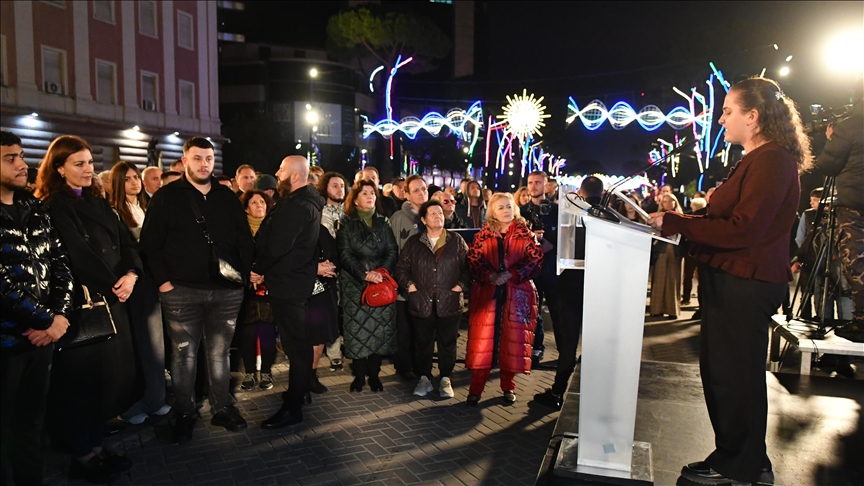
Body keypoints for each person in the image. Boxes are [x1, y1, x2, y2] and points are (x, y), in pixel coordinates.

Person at [648, 77, 810, 486]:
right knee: (726, 374)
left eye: (727, 111)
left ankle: (740, 465)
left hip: (746, 283)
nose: (720, 120)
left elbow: (744, 229)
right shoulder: (760, 158)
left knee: (735, 377)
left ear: (752, 117)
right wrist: (677, 222)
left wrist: (679, 223)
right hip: (735, 281)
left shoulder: (771, 161)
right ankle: (742, 458)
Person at [36, 135, 142, 482]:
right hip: (85, 307)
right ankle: (83, 456)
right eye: (78, 163)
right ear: (59, 168)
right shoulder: (55, 205)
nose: (87, 169)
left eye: (90, 162)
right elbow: (75, 255)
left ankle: (97, 448)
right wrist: (114, 285)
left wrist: (131, 274)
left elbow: (125, 242)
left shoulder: (98, 200)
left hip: (115, 299)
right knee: (81, 387)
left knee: (103, 384)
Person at [140, 137, 254, 444]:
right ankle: (185, 412)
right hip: (181, 292)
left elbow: (244, 240)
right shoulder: (166, 197)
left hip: (226, 292)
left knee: (219, 353)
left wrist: (241, 278)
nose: (204, 164)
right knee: (183, 356)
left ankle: (222, 407)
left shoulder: (226, 197)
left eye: (209, 158)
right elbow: (150, 245)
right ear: (185, 161)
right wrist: (164, 282)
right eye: (197, 158)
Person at [1, 130, 74, 486]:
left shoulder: (33, 208)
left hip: (40, 340)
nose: (21, 164)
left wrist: (60, 317)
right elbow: (2, 285)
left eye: (20, 155)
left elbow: (61, 265)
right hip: (7, 342)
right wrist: (47, 320)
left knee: (31, 423)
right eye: (9, 158)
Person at [251, 156, 323, 429]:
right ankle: (298, 392)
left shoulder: (298, 205)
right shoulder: (302, 202)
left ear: (294, 176)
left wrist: (258, 268)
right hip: (293, 281)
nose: (277, 174)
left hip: (289, 284)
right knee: (297, 344)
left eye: (281, 170)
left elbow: (278, 245)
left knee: (296, 346)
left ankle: (293, 407)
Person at [108, 161, 172, 425]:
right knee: (140, 345)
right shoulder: (114, 212)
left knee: (156, 344)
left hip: (154, 280)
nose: (134, 182)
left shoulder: (148, 206)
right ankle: (134, 405)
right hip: (134, 284)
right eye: (127, 179)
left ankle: (155, 399)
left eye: (136, 177)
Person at [465, 192, 543, 405]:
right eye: (500, 207)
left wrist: (512, 274)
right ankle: (475, 389)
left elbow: (535, 259)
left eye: (509, 206)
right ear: (492, 211)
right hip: (487, 293)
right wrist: (490, 276)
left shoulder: (525, 233)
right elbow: (474, 259)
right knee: (482, 344)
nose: (506, 210)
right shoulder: (483, 234)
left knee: (512, 343)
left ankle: (508, 386)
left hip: (517, 293)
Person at [533, 176, 603, 410]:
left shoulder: (572, 214)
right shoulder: (608, 217)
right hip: (598, 289)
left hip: (570, 288)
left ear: (580, 193)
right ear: (602, 194)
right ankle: (594, 395)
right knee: (596, 343)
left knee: (568, 344)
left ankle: (557, 392)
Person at [394, 200, 470, 399]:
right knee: (422, 343)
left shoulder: (456, 241)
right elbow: (401, 269)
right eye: (433, 213)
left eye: (440, 213)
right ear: (423, 219)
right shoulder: (414, 243)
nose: (438, 217)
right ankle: (424, 378)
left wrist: (459, 287)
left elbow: (469, 268)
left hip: (449, 302)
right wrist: (411, 287)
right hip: (421, 302)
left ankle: (445, 378)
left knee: (448, 344)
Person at [336, 180, 398, 393]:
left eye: (372, 193)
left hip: (380, 283)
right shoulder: (346, 224)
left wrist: (380, 272)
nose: (370, 196)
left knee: (379, 331)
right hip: (355, 285)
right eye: (365, 193)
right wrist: (364, 275)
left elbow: (392, 250)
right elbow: (345, 254)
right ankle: (359, 376)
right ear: (355, 199)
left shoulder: (383, 222)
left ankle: (375, 376)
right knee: (357, 332)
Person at [814, 83, 863, 341]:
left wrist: (831, 138)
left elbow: (827, 165)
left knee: (856, 262)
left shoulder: (850, 126)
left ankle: (862, 320)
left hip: (854, 206)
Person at [390, 175, 429, 380]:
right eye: (416, 190)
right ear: (406, 194)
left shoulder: (433, 214)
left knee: (423, 330)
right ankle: (404, 367)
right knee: (404, 330)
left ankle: (421, 366)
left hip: (428, 285)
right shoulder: (398, 218)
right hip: (404, 284)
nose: (421, 193)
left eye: (424, 189)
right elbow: (392, 250)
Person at [238, 189, 277, 393]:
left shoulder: (274, 228)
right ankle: (250, 372)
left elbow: (279, 256)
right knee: (248, 332)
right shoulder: (239, 230)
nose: (259, 205)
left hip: (269, 287)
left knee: (267, 330)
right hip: (246, 288)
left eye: (262, 202)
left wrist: (263, 274)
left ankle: (267, 372)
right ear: (246, 208)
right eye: (254, 202)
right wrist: (250, 273)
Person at [521, 171, 560, 366]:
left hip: (552, 267)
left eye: (537, 182)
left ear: (546, 185)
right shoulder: (521, 211)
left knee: (557, 310)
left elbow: (566, 235)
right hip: (531, 268)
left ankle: (564, 350)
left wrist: (551, 244)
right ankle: (535, 348)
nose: (533, 186)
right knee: (533, 310)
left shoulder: (557, 210)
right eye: (530, 182)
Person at [317, 172, 348, 371]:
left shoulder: (350, 211)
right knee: (331, 311)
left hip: (348, 266)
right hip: (328, 267)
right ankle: (334, 352)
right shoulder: (320, 212)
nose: (339, 189)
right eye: (334, 185)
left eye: (342, 186)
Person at [649, 193, 683, 319]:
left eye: (670, 201)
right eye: (665, 201)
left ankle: (672, 310)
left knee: (673, 280)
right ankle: (656, 309)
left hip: (676, 250)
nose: (668, 203)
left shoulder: (682, 216)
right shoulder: (656, 216)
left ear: (675, 202)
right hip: (661, 249)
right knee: (659, 278)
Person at [682, 197, 707, 306]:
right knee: (700, 277)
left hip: (691, 250)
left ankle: (686, 298)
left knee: (688, 275)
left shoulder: (689, 217)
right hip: (701, 251)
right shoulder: (707, 218)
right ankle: (700, 301)